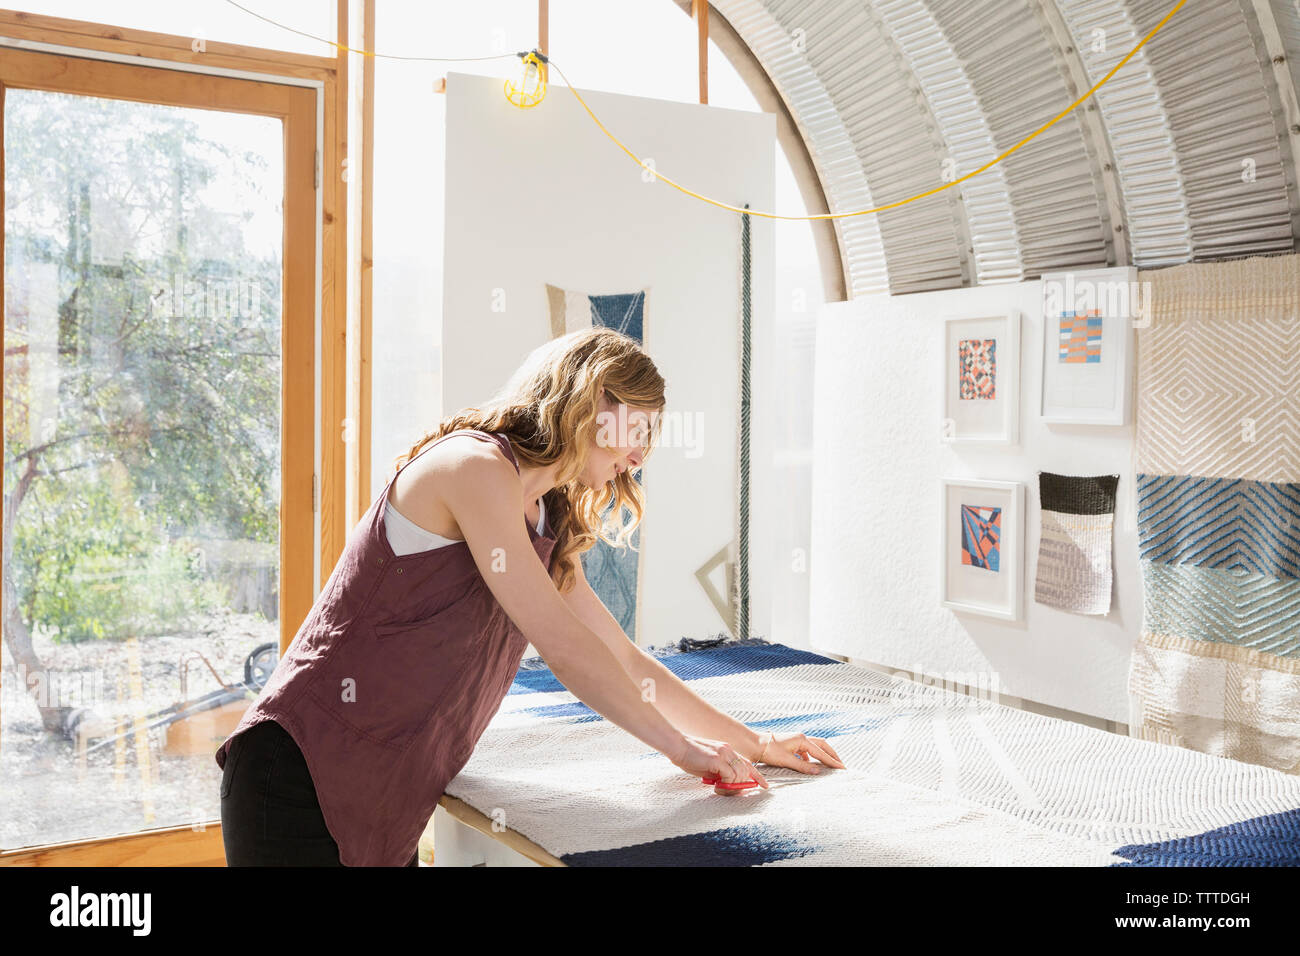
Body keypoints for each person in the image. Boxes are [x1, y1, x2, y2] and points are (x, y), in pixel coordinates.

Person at [216, 326, 843, 866]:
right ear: (591, 400)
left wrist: (759, 745)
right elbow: (566, 649)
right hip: (298, 771)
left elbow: (620, 657)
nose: (638, 457)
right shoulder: (472, 467)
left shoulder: (547, 516)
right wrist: (682, 751)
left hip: (387, 791)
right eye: (637, 430)